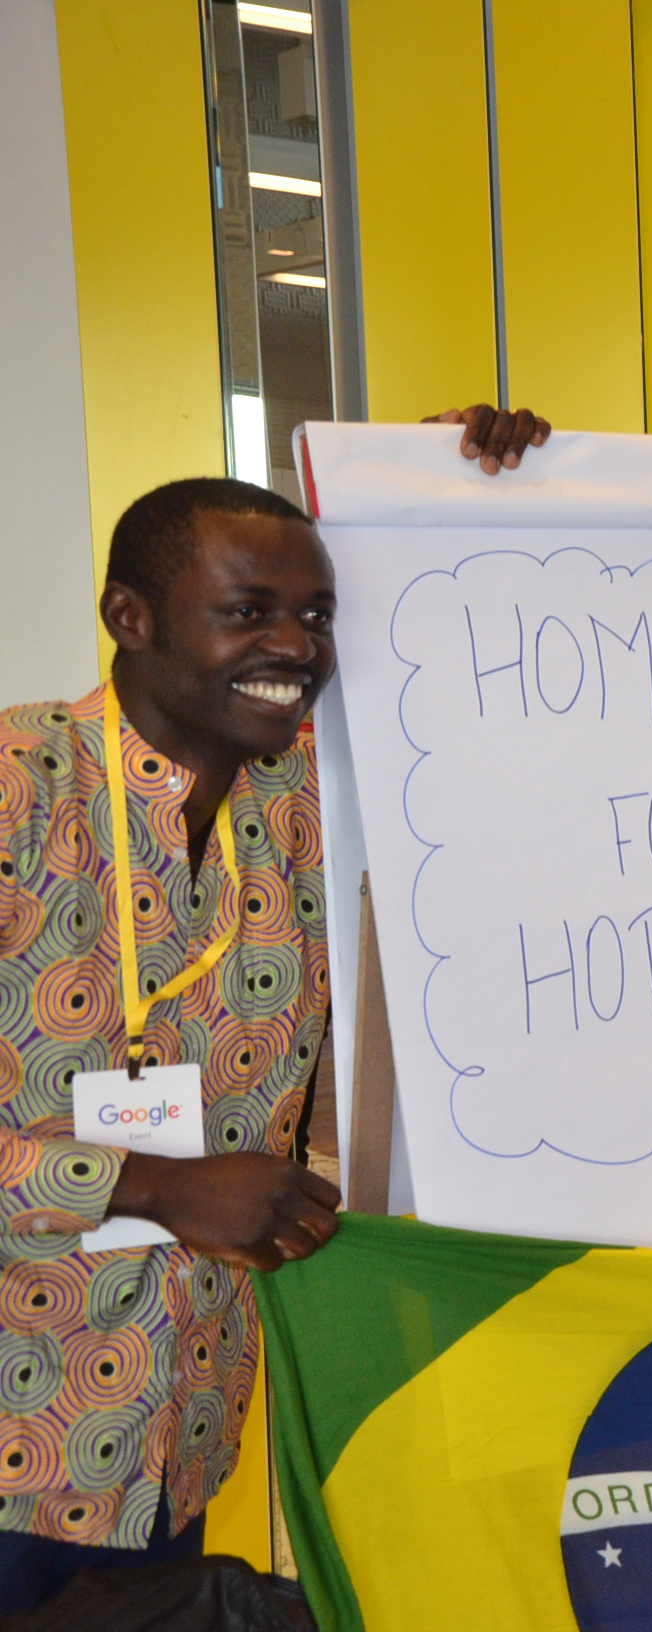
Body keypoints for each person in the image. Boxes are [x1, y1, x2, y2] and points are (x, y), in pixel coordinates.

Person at [0, 479, 346, 1607]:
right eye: (248, 611)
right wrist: (153, 1183)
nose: (292, 646)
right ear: (129, 618)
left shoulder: (304, 807)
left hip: (172, 1441)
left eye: (316, 615)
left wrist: (451, 479)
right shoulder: (19, 789)